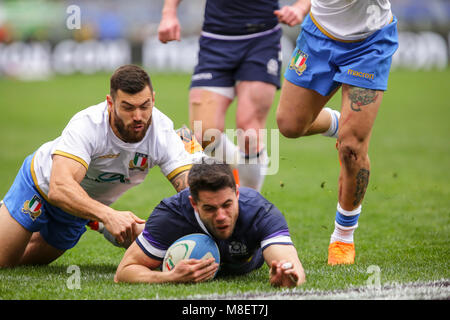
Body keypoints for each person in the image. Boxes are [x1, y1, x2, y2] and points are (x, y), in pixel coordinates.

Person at [0, 64, 198, 268]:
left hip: (80, 209)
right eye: (128, 107)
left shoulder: (163, 132)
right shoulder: (88, 125)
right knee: (4, 261)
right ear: (110, 103)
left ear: (153, 100)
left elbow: (191, 191)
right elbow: (58, 188)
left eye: (145, 106)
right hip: (40, 186)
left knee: (26, 263)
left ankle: (94, 221)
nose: (138, 116)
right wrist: (108, 215)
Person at [276, 0, 399, 265]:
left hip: (369, 42)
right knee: (289, 125)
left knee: (352, 149)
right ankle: (341, 124)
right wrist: (301, 6)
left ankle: (343, 238)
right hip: (318, 35)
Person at [157, 0, 312, 192]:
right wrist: (169, 13)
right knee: (203, 133)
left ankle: (249, 204)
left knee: (249, 132)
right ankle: (240, 175)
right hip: (215, 40)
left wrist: (300, 8)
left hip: (261, 39)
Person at [115, 162, 305, 287]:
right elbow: (123, 272)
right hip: (167, 238)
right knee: (137, 230)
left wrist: (289, 276)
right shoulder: (171, 215)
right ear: (193, 203)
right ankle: (101, 225)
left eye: (227, 205)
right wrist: (170, 277)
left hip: (242, 265)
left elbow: (292, 265)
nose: (221, 216)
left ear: (237, 194)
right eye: (210, 208)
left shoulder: (259, 211)